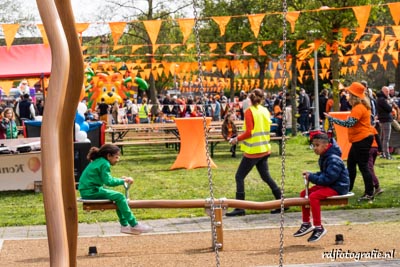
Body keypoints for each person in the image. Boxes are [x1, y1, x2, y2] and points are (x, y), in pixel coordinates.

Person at [226, 88, 284, 216]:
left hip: (253, 151)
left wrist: (235, 139)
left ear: (249, 99)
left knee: (239, 176)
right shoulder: (265, 110)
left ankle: (240, 207)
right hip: (264, 149)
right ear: (262, 98)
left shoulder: (249, 112)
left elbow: (249, 132)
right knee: (266, 177)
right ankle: (281, 203)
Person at [78, 144, 153, 235]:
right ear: (109, 156)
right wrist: (123, 181)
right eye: (116, 157)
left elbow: (105, 179)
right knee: (120, 197)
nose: (118, 160)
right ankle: (134, 224)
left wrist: (121, 180)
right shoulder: (104, 163)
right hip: (91, 191)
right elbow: (109, 182)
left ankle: (125, 225)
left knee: (118, 198)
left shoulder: (99, 161)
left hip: (88, 190)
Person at [293, 133, 349, 242]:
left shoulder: (333, 159)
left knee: (314, 197)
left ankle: (318, 227)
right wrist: (311, 174)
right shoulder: (325, 156)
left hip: (338, 186)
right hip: (330, 184)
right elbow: (324, 174)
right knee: (304, 193)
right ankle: (306, 223)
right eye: (313, 145)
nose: (314, 148)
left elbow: (328, 178)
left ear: (326, 145)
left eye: (317, 145)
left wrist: (312, 177)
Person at [325, 82, 375, 203]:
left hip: (361, 139)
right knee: (351, 164)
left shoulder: (358, 108)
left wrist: (332, 118)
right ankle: (348, 188)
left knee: (362, 166)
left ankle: (369, 193)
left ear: (354, 95)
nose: (347, 95)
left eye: (349, 93)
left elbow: (348, 124)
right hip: (361, 139)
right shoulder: (361, 106)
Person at [376, 86, 394, 160]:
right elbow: (389, 108)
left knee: (383, 138)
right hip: (386, 120)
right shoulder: (382, 100)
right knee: (386, 138)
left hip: (382, 120)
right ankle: (386, 155)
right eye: (386, 92)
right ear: (383, 91)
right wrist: (390, 102)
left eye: (388, 91)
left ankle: (383, 153)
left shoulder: (379, 99)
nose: (388, 93)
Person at [369, 126, 384, 196]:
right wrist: (380, 149)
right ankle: (371, 186)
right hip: (375, 148)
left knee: (369, 169)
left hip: (369, 149)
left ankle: (377, 186)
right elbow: (378, 138)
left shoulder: (363, 128)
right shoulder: (372, 128)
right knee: (371, 168)